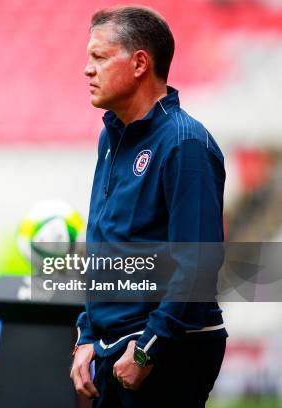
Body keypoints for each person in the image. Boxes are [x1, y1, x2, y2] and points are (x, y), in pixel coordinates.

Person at [69, 6, 228, 408]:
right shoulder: (112, 138)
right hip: (114, 346)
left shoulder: (184, 143)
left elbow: (198, 265)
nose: (88, 70)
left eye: (99, 57)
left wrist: (147, 349)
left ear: (140, 63)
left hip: (162, 350)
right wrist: (88, 334)